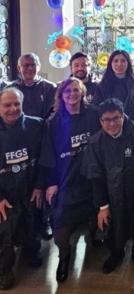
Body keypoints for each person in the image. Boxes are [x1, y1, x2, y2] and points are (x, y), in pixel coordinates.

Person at [39, 77, 100, 283]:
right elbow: (48, 156)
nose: (72, 94)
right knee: (60, 228)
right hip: (66, 182)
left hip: (93, 179)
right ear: (61, 95)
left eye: (76, 90)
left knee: (97, 215)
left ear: (82, 92)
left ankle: (95, 237)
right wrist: (51, 183)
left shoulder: (94, 114)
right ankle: (64, 256)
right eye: (67, 92)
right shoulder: (53, 122)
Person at [83, 98, 134, 274]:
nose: (112, 123)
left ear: (123, 116)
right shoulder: (95, 142)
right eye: (107, 119)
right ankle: (116, 253)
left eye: (116, 118)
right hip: (111, 194)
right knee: (113, 225)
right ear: (101, 121)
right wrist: (103, 206)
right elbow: (95, 176)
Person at [0, 88, 44, 290]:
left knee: (32, 221)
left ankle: (31, 251)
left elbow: (46, 159)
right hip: (5, 193)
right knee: (5, 233)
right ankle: (4, 270)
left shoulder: (37, 125)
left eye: (16, 104)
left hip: (31, 186)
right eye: (7, 105)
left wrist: (39, 185)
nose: (12, 109)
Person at [93, 50, 134, 122]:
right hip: (111, 124)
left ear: (128, 63)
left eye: (123, 61)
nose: (119, 64)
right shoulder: (102, 86)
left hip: (133, 124)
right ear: (110, 64)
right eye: (116, 61)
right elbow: (97, 107)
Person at [8, 52, 56, 119]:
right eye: (26, 65)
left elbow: (53, 113)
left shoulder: (50, 88)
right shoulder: (10, 89)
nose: (30, 68)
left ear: (39, 67)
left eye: (33, 65)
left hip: (43, 127)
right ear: (19, 68)